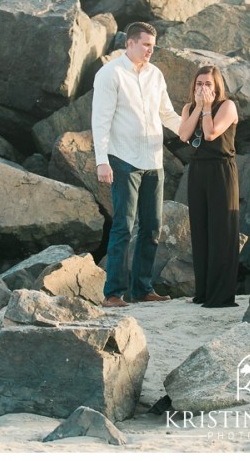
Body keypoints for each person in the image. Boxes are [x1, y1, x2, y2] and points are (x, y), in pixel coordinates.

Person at [91, 22, 181, 308]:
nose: (150, 51)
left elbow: (167, 114)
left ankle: (142, 289)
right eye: (145, 45)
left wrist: (194, 134)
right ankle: (113, 293)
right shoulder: (110, 74)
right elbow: (100, 120)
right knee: (123, 226)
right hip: (123, 160)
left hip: (154, 160)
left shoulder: (156, 74)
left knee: (152, 227)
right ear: (129, 43)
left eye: (153, 46)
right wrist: (101, 161)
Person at [178, 65, 240, 308]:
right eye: (199, 84)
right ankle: (203, 292)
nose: (202, 88)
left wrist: (205, 109)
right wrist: (197, 108)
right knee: (201, 231)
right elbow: (184, 135)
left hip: (221, 170)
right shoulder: (188, 108)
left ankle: (220, 296)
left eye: (208, 84)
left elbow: (211, 133)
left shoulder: (227, 106)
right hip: (198, 171)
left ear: (217, 87)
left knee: (221, 232)